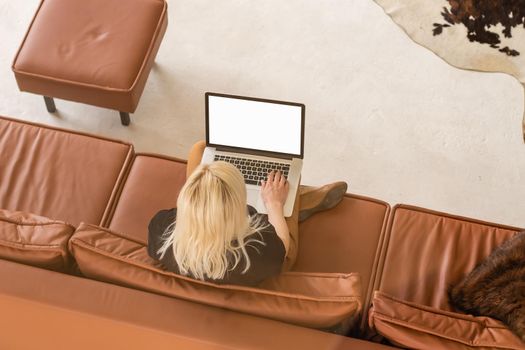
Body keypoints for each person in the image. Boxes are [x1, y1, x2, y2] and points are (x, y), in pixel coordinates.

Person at [148, 141, 347, 287]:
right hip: (266, 248)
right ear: (238, 209)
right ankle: (303, 199)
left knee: (199, 148)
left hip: (209, 237)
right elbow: (283, 246)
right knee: (284, 184)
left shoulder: (160, 230)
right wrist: (274, 204)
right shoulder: (259, 251)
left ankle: (299, 196)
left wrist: (207, 198)